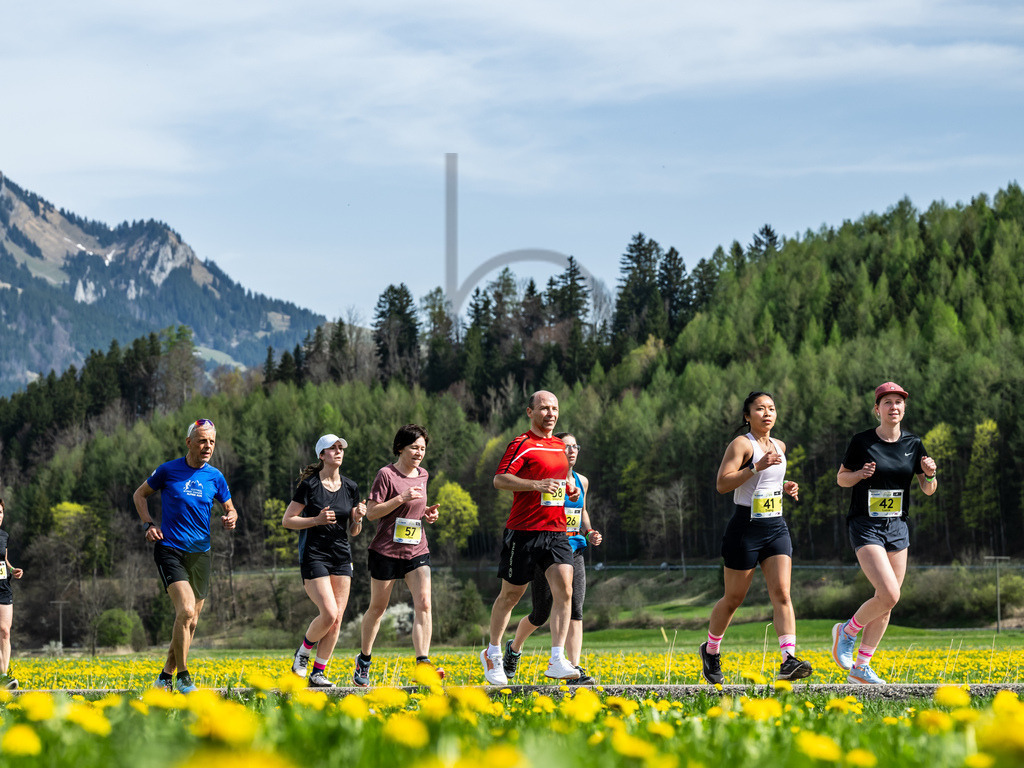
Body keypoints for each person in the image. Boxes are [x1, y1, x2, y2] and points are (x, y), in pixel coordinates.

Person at [699, 391, 812, 685]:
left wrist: (785, 486)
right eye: (760, 409)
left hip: (775, 527)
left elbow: (767, 483)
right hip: (745, 529)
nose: (767, 413)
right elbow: (722, 484)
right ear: (747, 415)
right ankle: (711, 651)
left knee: (782, 594)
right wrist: (754, 467)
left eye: (771, 408)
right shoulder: (741, 444)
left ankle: (788, 660)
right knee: (734, 598)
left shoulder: (780, 446)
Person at [831, 381, 937, 685]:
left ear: (904, 408)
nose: (894, 407)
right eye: (887, 402)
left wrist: (931, 474)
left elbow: (928, 489)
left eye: (899, 402)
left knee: (888, 601)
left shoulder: (914, 443)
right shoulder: (862, 441)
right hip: (865, 525)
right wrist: (859, 474)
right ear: (877, 409)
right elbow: (841, 479)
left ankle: (861, 667)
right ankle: (846, 631)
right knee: (890, 593)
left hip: (897, 527)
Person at [480, 390, 582, 685]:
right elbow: (500, 479)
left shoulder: (559, 447)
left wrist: (569, 488)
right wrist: (537, 485)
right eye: (544, 408)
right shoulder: (521, 444)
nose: (551, 414)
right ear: (530, 412)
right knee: (511, 596)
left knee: (565, 590)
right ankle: (492, 652)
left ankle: (557, 659)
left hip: (556, 531)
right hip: (523, 531)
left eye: (555, 409)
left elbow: (559, 480)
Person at [133, 418, 238, 693]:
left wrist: (231, 517)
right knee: (186, 610)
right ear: (189, 442)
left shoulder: (215, 477)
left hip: (201, 554)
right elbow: (139, 495)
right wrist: (148, 524)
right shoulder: (168, 470)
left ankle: (164, 678)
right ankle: (183, 677)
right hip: (170, 549)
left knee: (190, 621)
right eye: (202, 441)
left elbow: (230, 508)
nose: (208, 446)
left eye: (212, 442)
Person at [503, 432, 602, 684]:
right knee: (540, 613)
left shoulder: (582, 481)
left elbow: (582, 510)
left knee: (575, 609)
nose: (571, 451)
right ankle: (514, 648)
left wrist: (589, 531)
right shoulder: (545, 478)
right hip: (547, 549)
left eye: (575, 446)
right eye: (566, 447)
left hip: (573, 550)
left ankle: (574, 669)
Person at [354, 424, 441, 686]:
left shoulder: (423, 474)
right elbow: (372, 513)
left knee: (424, 603)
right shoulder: (386, 475)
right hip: (386, 551)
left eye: (423, 448)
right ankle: (364, 660)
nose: (419, 453)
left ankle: (423, 663)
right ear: (400, 448)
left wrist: (428, 513)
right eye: (414, 447)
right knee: (378, 608)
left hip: (416, 548)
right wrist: (401, 497)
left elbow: (416, 508)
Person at [284, 434, 366, 687]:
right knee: (328, 613)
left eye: (341, 448)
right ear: (321, 455)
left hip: (341, 557)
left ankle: (318, 673)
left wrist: (358, 518)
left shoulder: (350, 487)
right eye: (333, 448)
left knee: (337, 619)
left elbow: (354, 531)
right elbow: (288, 520)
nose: (339, 451)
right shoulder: (309, 486)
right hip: (314, 555)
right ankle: (303, 652)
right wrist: (316, 520)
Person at [0, 497, 24, 690]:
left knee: (5, 631)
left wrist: (13, 569)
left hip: (3, 587)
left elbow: (4, 560)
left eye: (0, 512)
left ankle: (3, 677)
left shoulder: (4, 536)